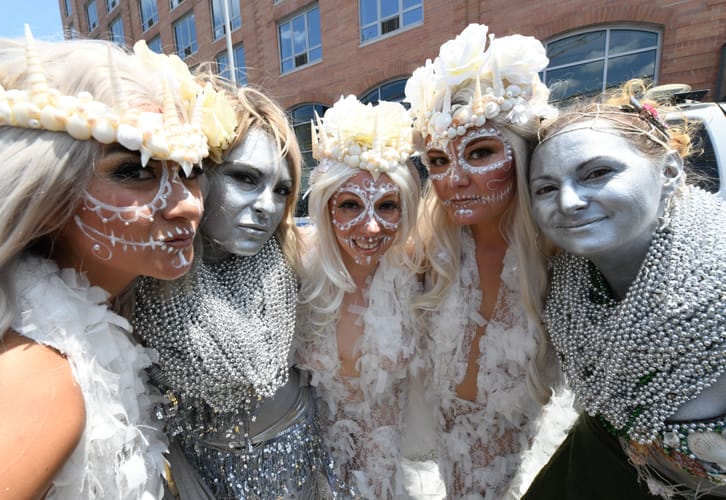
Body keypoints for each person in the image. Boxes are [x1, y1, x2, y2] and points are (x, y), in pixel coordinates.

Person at [0, 26, 236, 499]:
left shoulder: (114, 316)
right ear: (47, 194)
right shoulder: (40, 378)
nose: (188, 205)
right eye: (134, 171)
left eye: (191, 172)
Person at [518, 80, 726, 499]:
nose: (570, 201)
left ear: (669, 171)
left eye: (597, 173)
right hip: (603, 464)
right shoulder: (564, 284)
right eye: (545, 188)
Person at [132, 85, 337, 499]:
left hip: (301, 463)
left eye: (282, 190)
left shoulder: (302, 258)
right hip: (203, 479)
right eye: (246, 178)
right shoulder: (135, 284)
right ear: (196, 175)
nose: (267, 206)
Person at [404, 23, 577, 499]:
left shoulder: (564, 258)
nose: (453, 179)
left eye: (479, 152)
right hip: (444, 465)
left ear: (521, 155)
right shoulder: (425, 254)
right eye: (437, 160)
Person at [293, 94, 424, 498]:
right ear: (324, 204)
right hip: (310, 469)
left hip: (385, 471)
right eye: (350, 205)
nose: (370, 229)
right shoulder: (294, 261)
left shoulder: (421, 268)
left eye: (387, 206)